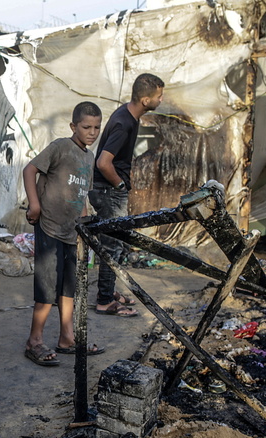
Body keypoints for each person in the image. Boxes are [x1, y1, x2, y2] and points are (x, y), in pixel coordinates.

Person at [23, 102, 107, 367]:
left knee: (69, 289)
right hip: (49, 226)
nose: (92, 132)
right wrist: (34, 204)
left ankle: (67, 338)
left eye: (96, 127)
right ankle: (34, 341)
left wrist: (83, 225)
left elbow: (82, 195)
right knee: (47, 289)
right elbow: (29, 170)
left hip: (72, 233)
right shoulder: (60, 147)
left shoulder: (88, 158)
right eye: (86, 127)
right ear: (73, 126)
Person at [89, 73, 164, 317]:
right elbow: (103, 162)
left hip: (110, 190)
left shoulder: (129, 115)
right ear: (145, 100)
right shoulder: (124, 123)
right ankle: (103, 301)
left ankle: (108, 293)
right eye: (158, 96)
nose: (161, 101)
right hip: (109, 191)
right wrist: (120, 186)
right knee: (112, 247)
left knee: (117, 245)